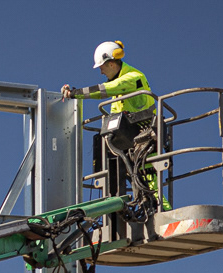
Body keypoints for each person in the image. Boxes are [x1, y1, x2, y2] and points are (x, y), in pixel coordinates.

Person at [60, 40, 165, 211]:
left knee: (150, 185)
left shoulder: (132, 78)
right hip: (130, 138)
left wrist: (74, 93)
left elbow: (104, 90)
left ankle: (164, 212)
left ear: (111, 63)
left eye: (101, 67)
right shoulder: (121, 82)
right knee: (128, 178)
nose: (101, 71)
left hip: (145, 137)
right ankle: (127, 209)